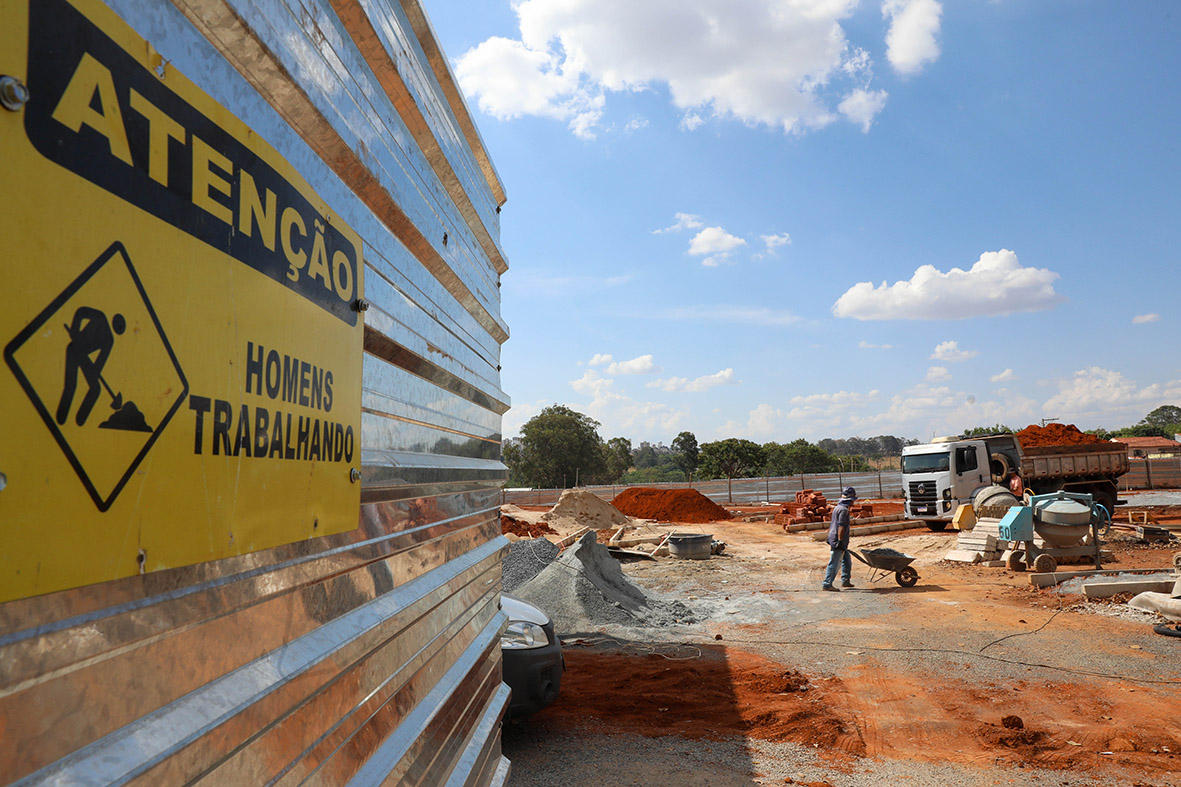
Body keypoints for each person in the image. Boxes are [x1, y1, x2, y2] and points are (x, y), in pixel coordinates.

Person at [822, 487, 856, 591]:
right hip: (838, 540)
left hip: (834, 537)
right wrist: (840, 541)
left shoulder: (837, 508)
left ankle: (845, 580)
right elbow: (841, 526)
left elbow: (833, 524)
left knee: (846, 560)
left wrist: (829, 537)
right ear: (850, 500)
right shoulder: (844, 511)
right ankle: (827, 584)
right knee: (835, 562)